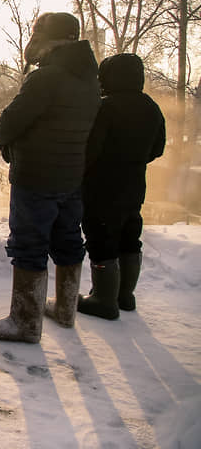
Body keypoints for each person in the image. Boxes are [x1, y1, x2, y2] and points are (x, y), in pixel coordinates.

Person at [0, 12, 100, 344]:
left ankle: (25, 321)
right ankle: (65, 309)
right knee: (69, 241)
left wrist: (4, 138)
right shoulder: (89, 79)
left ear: (46, 40)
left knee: (29, 245)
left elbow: (8, 125)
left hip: (36, 176)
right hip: (72, 176)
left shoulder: (46, 79)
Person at [77, 54, 165, 320]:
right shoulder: (151, 107)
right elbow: (157, 149)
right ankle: (125, 295)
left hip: (102, 186)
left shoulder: (106, 107)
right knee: (129, 235)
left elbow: (91, 150)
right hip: (135, 184)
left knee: (100, 236)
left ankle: (104, 299)